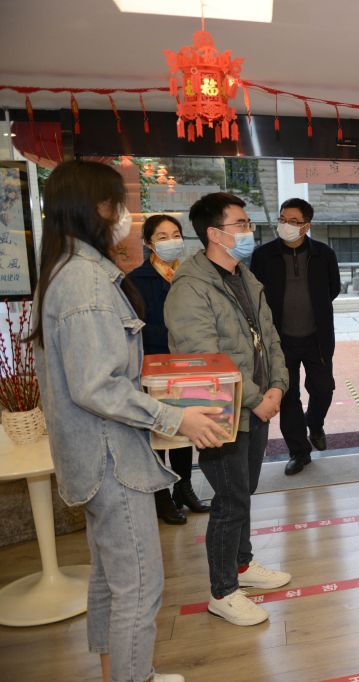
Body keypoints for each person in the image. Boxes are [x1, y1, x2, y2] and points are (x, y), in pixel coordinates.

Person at [31, 160, 227, 682]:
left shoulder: (68, 271)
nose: (124, 215)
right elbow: (96, 386)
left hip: (96, 455)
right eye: (116, 204)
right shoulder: (85, 283)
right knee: (139, 585)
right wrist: (175, 417)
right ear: (94, 208)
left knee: (111, 580)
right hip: (111, 457)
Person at [164, 192, 292, 627]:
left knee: (243, 491)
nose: (248, 231)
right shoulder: (191, 287)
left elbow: (270, 338)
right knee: (229, 500)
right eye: (240, 224)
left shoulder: (245, 276)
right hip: (221, 413)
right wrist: (258, 398)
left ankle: (242, 563)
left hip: (256, 407)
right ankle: (223, 591)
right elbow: (204, 360)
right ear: (215, 234)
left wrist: (278, 387)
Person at [128, 214, 210, 525]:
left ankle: (184, 489)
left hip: (187, 364)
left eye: (175, 235)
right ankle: (161, 495)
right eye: (162, 237)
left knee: (185, 430)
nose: (171, 241)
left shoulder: (190, 274)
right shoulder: (136, 280)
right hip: (154, 364)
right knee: (159, 431)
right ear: (148, 243)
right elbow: (135, 326)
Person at [250, 198, 341, 475]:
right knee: (288, 397)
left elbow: (333, 289)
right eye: (282, 219)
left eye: (293, 221)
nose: (285, 225)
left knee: (323, 389)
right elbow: (256, 295)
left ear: (306, 226)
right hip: (279, 341)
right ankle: (299, 452)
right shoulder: (263, 255)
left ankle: (315, 423)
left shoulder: (324, 254)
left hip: (317, 338)